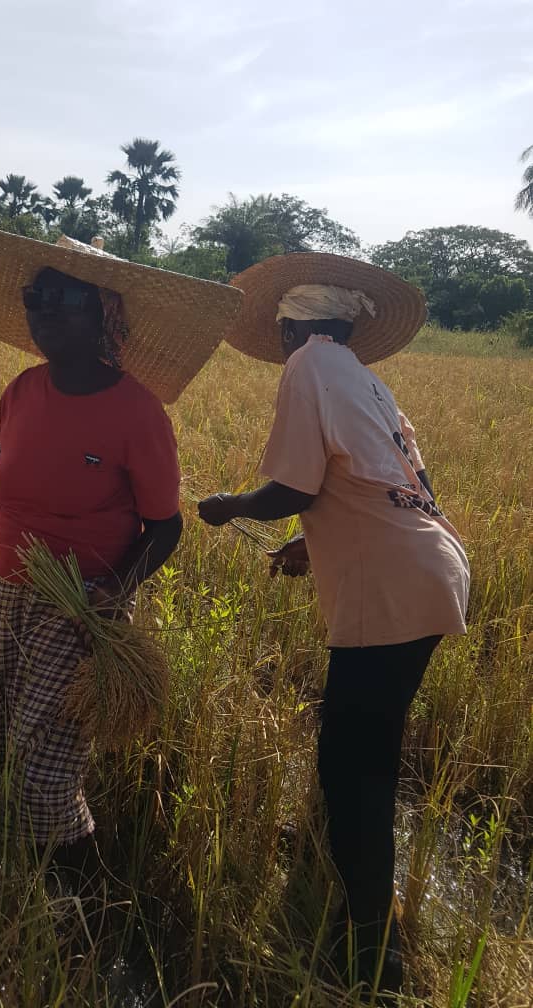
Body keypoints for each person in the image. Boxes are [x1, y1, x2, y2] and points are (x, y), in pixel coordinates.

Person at [0, 217, 241, 901]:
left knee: (42, 770)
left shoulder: (138, 412)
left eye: (64, 300)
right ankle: (34, 902)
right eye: (35, 298)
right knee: (1, 748)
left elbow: (163, 529)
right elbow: (1, 499)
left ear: (103, 312)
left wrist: (113, 590)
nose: (44, 312)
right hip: (3, 591)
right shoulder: (21, 392)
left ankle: (78, 914)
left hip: (83, 604)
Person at [198, 254, 470, 998]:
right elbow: (398, 485)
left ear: (294, 327)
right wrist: (304, 542)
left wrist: (232, 505)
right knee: (359, 740)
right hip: (432, 561)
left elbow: (292, 486)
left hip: (391, 580)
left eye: (283, 330)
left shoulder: (309, 366)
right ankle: (342, 870)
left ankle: (372, 953)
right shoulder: (370, 382)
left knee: (356, 768)